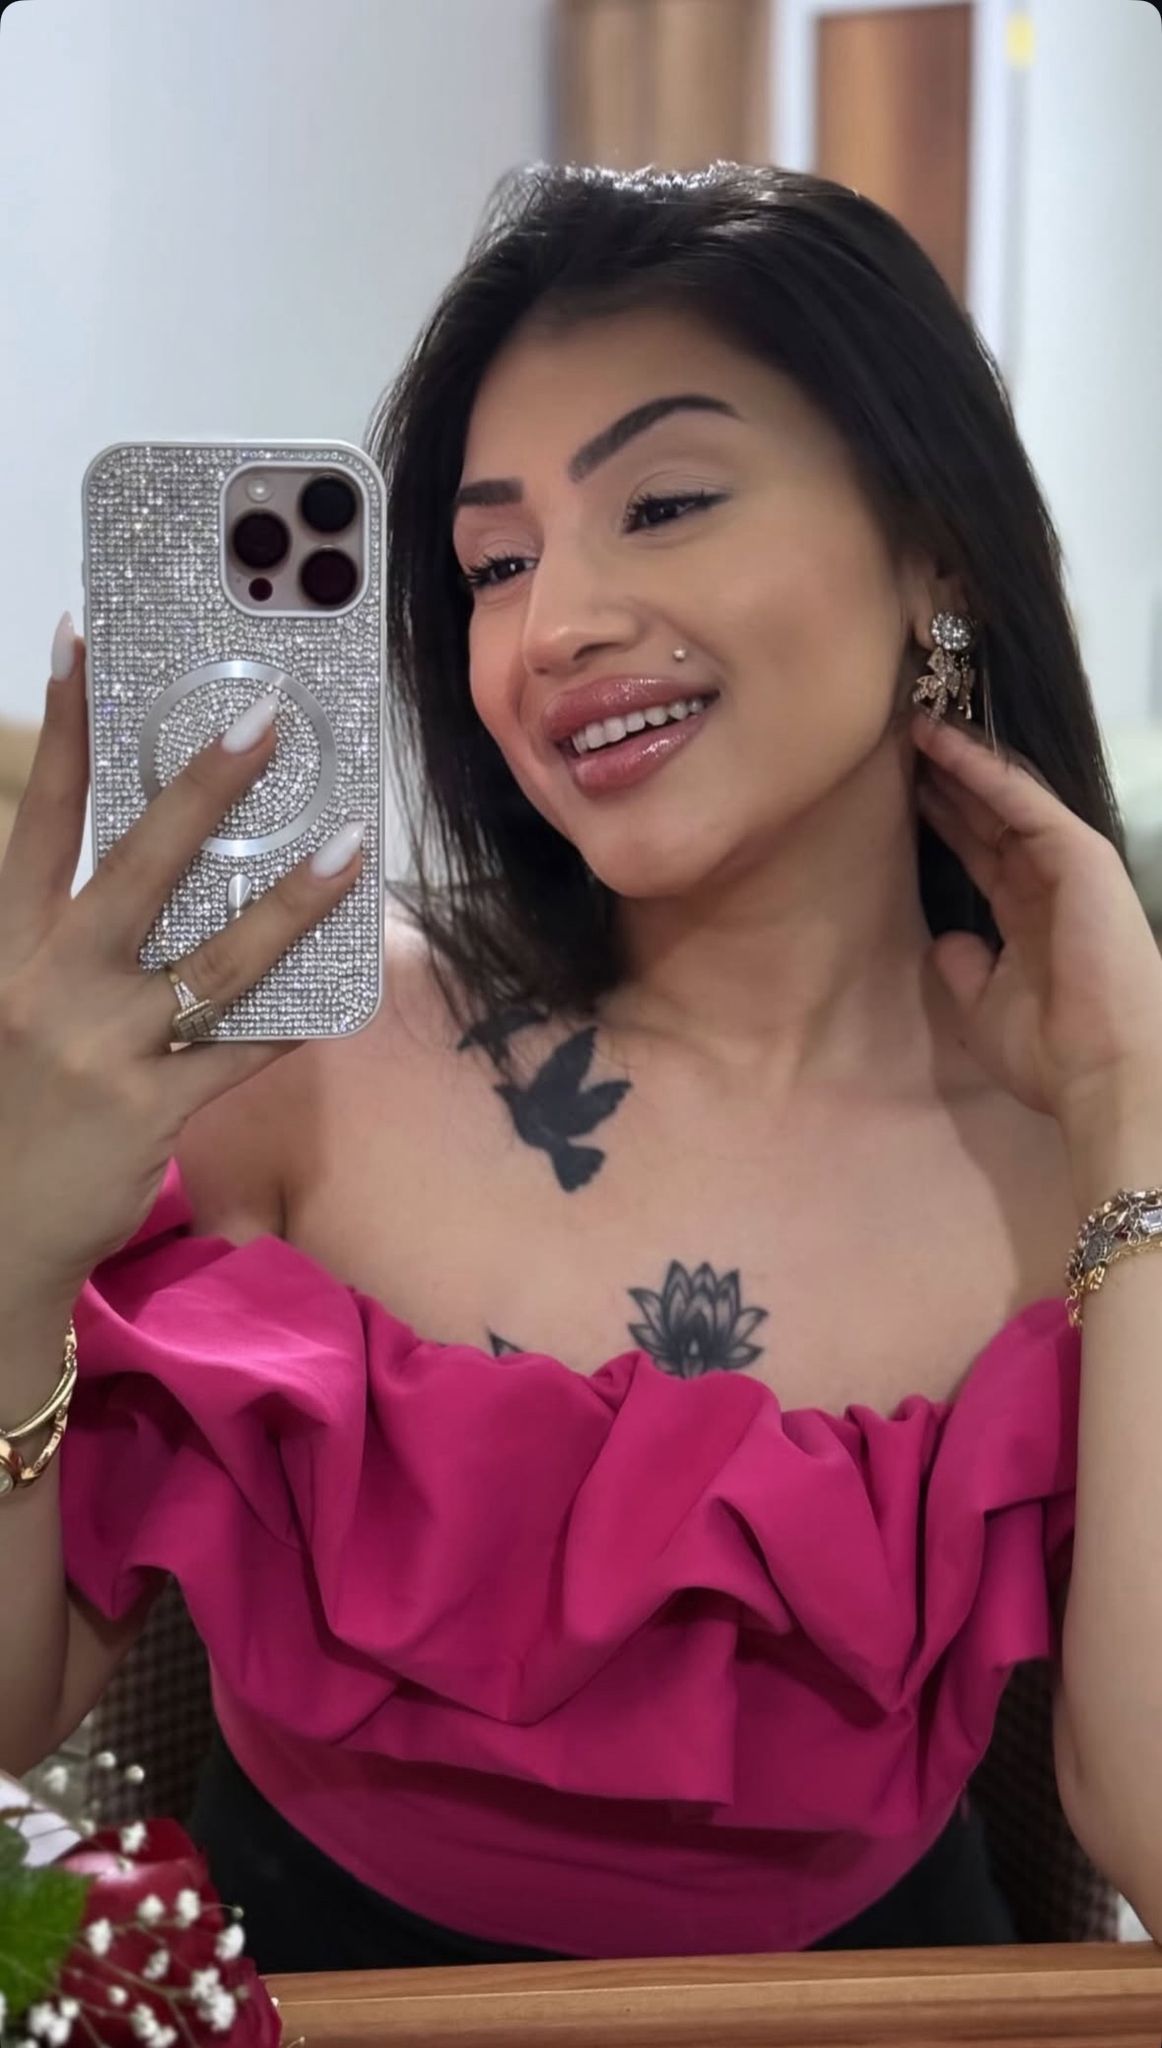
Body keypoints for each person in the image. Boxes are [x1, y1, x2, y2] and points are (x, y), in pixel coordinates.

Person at [2, 161, 1159, 1974]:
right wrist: (7, 1263)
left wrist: (1132, 1116)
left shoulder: (1076, 1148)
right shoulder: (297, 1059)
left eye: (665, 503)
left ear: (931, 547)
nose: (554, 630)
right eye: (495, 563)